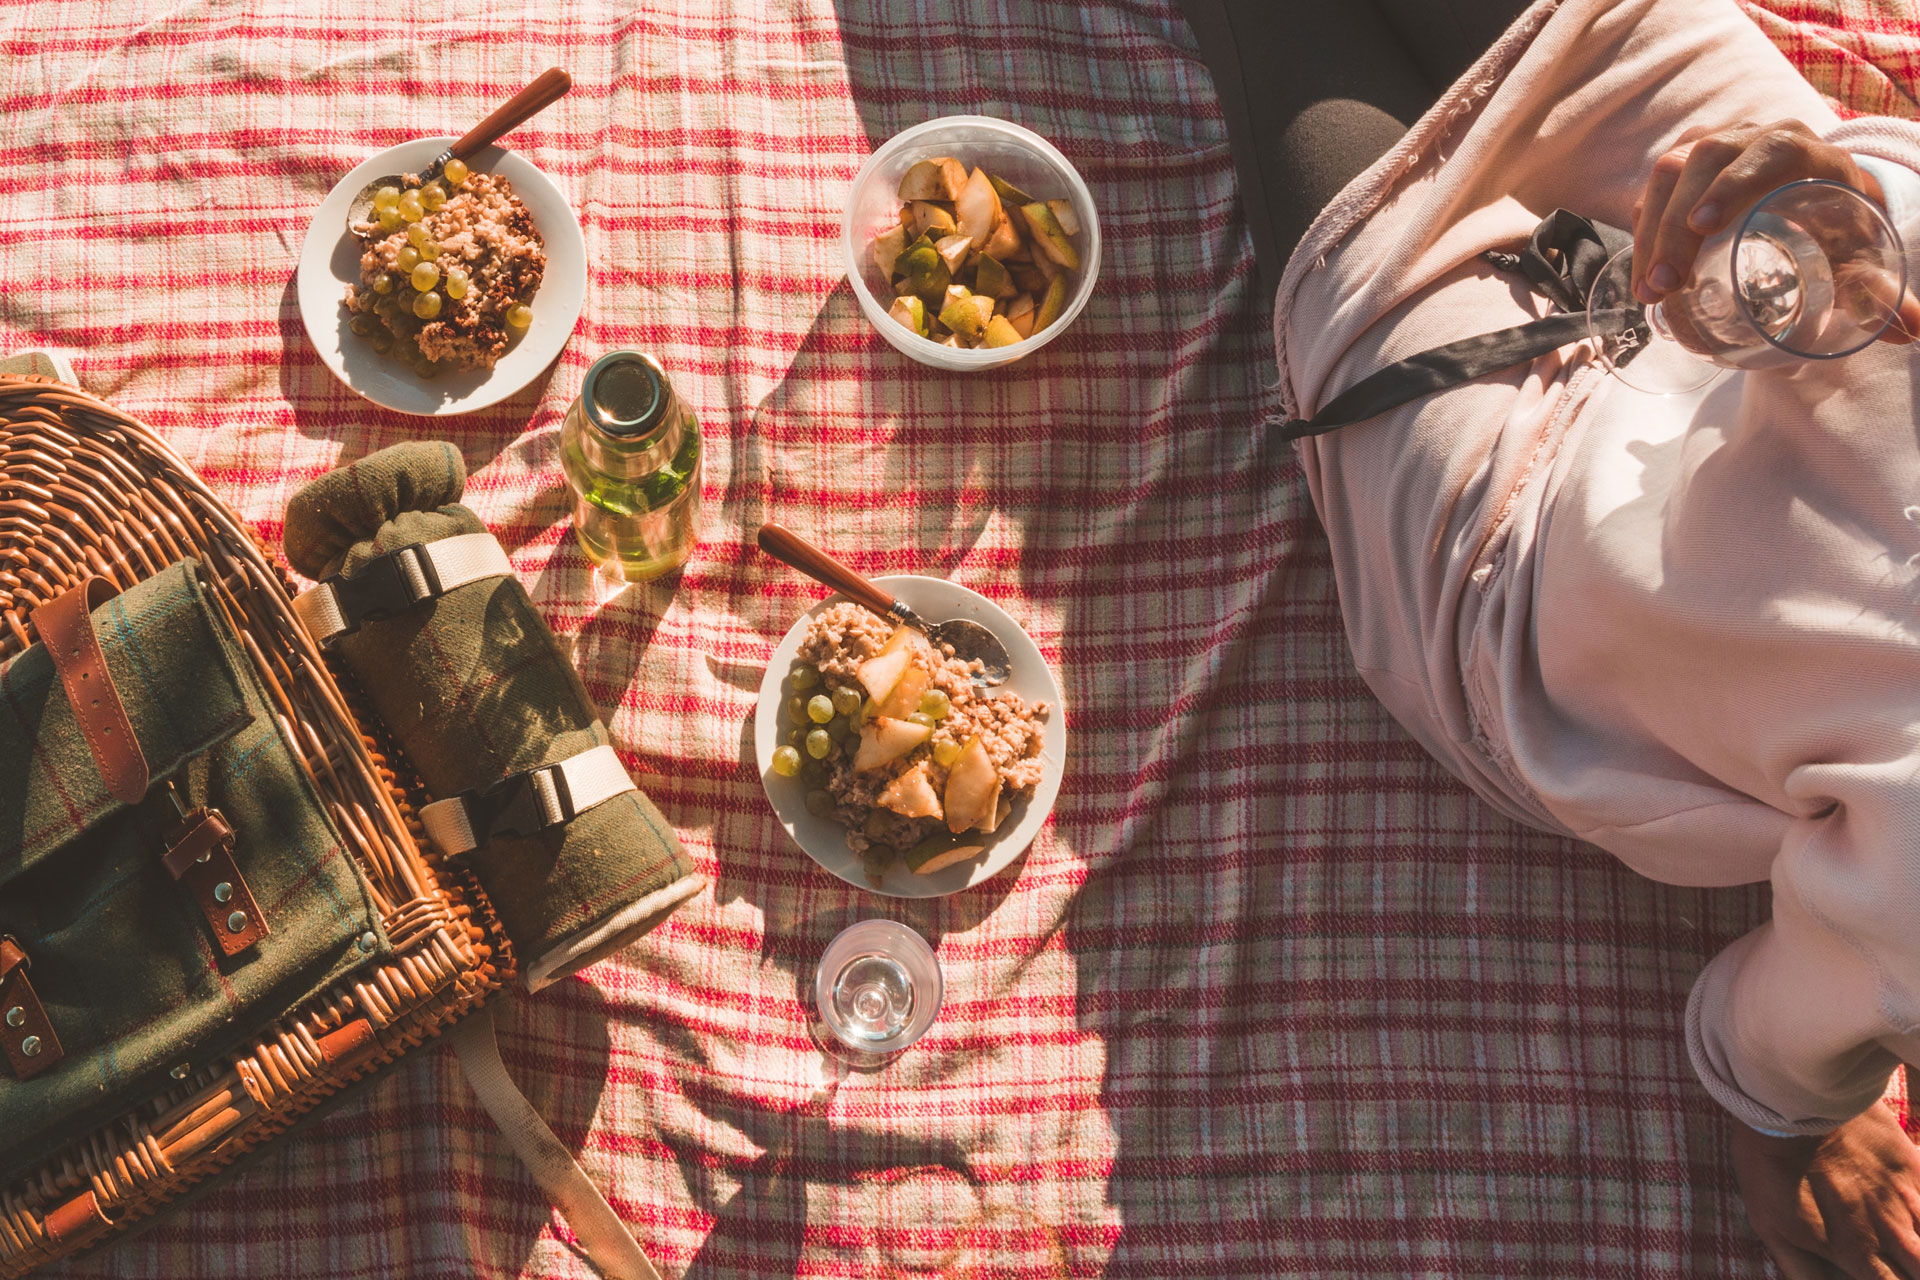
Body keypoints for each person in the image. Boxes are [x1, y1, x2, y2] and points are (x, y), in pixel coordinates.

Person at [1181, 0, 1920, 1276]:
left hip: (1508, 552)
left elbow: (1769, 1035)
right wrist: (1851, 211)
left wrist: (1800, 1109)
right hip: (1779, 263)